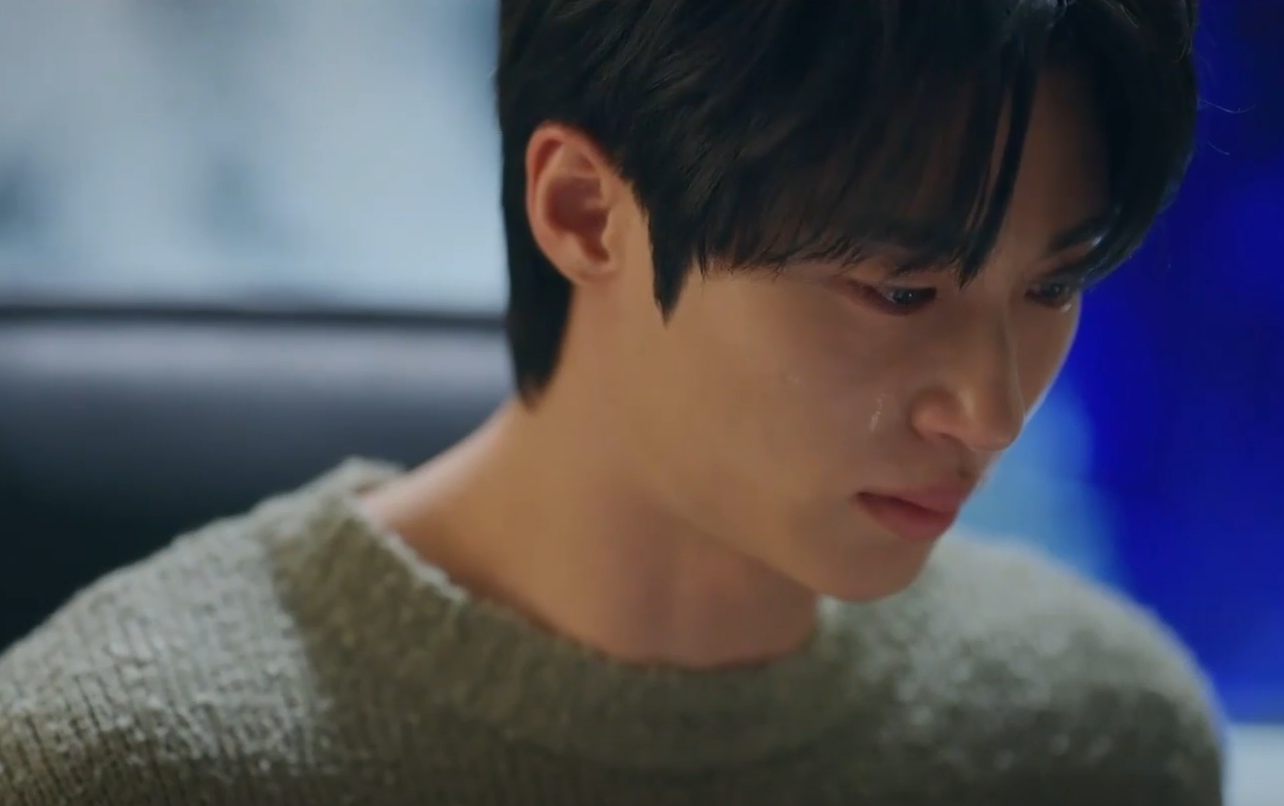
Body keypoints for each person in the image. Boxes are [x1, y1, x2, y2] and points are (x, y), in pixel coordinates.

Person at [0, 1, 1222, 803]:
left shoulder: (1091, 738)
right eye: (897, 292)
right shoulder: (138, 758)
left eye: (1051, 285)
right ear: (586, 212)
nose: (991, 410)